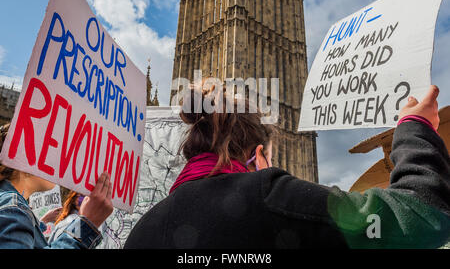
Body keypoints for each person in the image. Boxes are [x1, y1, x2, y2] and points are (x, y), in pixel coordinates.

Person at [124, 84, 450, 249]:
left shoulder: (144, 229)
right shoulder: (266, 196)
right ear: (259, 154)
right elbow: (422, 217)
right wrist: (415, 127)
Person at [0, 124, 114, 249]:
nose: (56, 164)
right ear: (24, 158)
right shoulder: (13, 206)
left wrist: (40, 224)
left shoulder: (12, 206)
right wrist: (86, 223)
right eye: (48, 153)